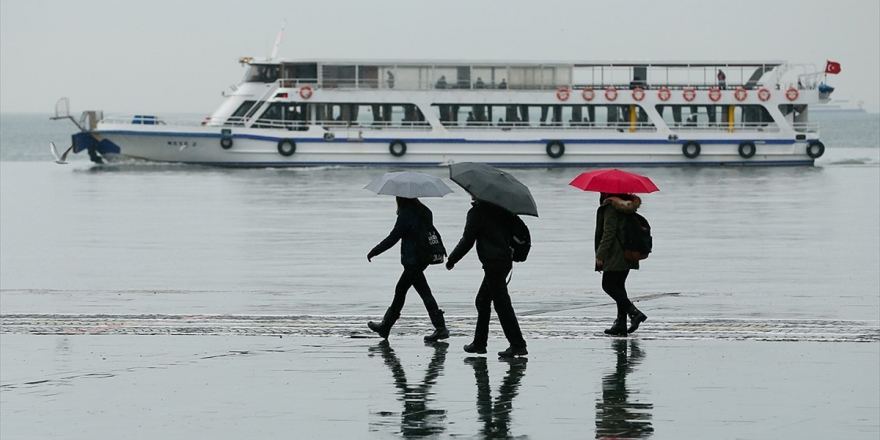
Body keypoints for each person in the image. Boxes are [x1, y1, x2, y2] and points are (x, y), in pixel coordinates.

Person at [446, 199, 527, 357]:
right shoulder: (502, 209)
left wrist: (452, 259)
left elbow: (468, 239)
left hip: (493, 262)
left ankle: (518, 344)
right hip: (504, 260)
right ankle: (479, 343)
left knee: (502, 304)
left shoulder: (478, 213)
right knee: (482, 301)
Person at [367, 197, 449, 342]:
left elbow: (394, 237)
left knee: (424, 292)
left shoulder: (406, 214)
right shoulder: (425, 211)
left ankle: (440, 327)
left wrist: (375, 251)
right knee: (401, 290)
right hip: (424, 257)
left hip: (412, 260)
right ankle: (385, 326)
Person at [595, 193, 648, 336]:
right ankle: (621, 324)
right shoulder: (627, 205)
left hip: (615, 253)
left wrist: (600, 254)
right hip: (628, 252)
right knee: (619, 287)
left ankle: (635, 313)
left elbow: (609, 232)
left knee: (608, 285)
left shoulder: (610, 207)